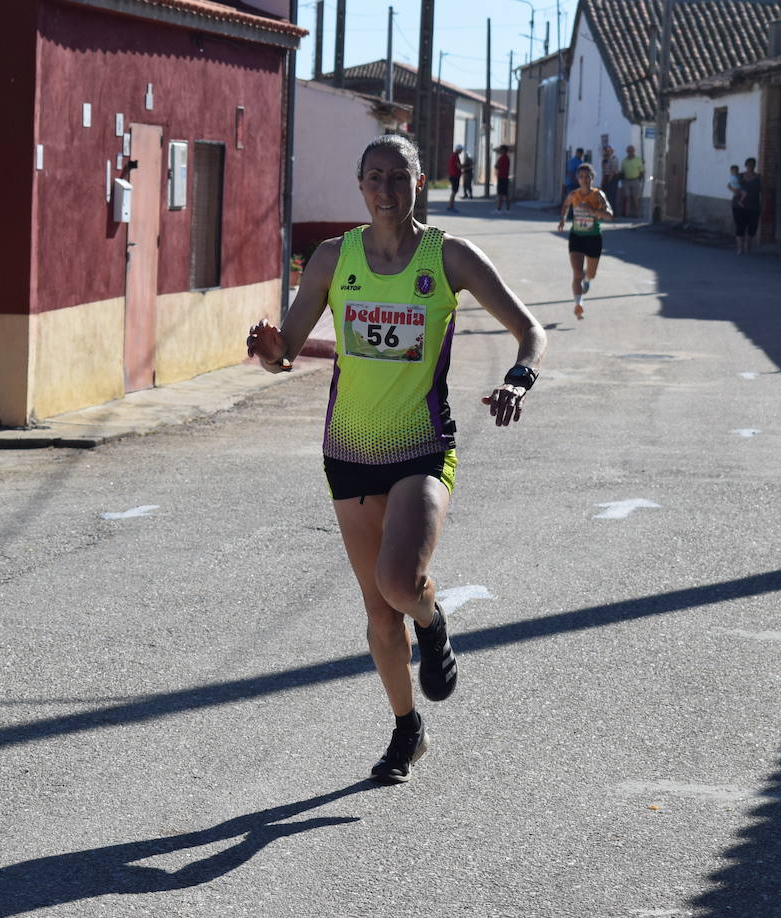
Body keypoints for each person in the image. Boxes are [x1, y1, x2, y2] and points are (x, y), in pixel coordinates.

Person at [245, 133, 546, 784]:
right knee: (379, 615)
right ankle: (408, 730)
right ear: (360, 187)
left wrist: (520, 377)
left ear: (420, 182)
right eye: (373, 178)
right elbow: (288, 351)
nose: (385, 189)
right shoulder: (331, 259)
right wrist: (270, 348)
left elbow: (531, 329)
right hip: (348, 451)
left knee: (398, 584)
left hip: (423, 445)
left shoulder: (450, 257)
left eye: (398, 176)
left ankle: (433, 623)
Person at [559, 162, 613, 321]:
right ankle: (579, 304)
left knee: (590, 273)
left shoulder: (598, 195)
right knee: (577, 273)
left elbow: (609, 215)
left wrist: (593, 211)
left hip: (593, 237)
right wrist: (562, 219)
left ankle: (587, 280)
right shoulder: (573, 195)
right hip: (576, 237)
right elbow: (565, 205)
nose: (584, 180)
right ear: (577, 179)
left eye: (587, 177)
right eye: (581, 177)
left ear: (592, 178)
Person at [734, 158, 761, 254]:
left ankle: (747, 245)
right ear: (745, 165)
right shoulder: (740, 176)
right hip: (739, 206)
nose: (751, 166)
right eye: (749, 164)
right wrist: (737, 192)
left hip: (754, 207)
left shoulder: (758, 178)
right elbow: (731, 186)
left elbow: (763, 191)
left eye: (753, 165)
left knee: (752, 227)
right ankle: (740, 248)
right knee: (740, 227)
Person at [620, 145, 644, 218]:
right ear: (627, 152)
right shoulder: (624, 161)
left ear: (634, 151)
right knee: (627, 198)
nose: (630, 152)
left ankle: (637, 214)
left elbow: (641, 171)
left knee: (635, 198)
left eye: (631, 151)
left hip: (635, 180)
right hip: (626, 181)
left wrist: (639, 180)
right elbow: (622, 171)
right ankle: (627, 214)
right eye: (629, 151)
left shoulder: (638, 160)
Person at [494, 145, 512, 214]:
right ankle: (508, 209)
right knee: (506, 194)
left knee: (500, 194)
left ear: (504, 150)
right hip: (505, 177)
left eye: (501, 150)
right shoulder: (507, 158)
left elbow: (497, 166)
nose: (500, 151)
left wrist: (496, 166)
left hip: (501, 177)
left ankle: (499, 209)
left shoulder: (502, 158)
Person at [447, 144, 463, 212]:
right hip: (455, 176)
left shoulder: (454, 155)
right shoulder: (455, 156)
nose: (461, 151)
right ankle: (451, 206)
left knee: (454, 191)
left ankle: (451, 205)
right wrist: (466, 167)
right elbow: (458, 166)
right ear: (458, 149)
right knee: (454, 191)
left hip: (453, 175)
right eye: (461, 150)